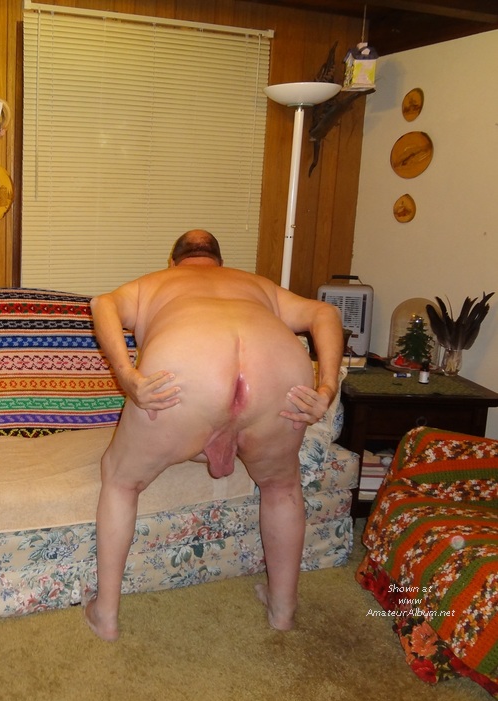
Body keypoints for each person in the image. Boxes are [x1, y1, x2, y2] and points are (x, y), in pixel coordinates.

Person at [84, 229, 343, 641]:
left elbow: (102, 304)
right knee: (281, 486)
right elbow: (325, 313)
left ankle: (106, 614)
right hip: (278, 372)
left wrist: (128, 377)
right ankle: (282, 609)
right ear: (219, 263)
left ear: (174, 262)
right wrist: (326, 388)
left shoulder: (155, 283)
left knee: (120, 479)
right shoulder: (257, 285)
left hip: (187, 371)